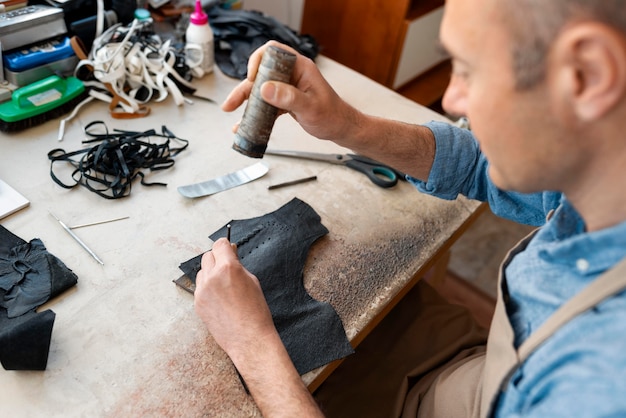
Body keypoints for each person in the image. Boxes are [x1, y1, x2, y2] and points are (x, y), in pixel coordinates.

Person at [193, 0, 626, 416]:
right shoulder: (599, 172)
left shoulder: (595, 384)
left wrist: (251, 342)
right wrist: (346, 124)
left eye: (469, 70)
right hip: (478, 375)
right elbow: (478, 163)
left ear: (588, 74)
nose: (452, 100)